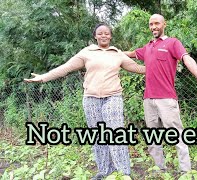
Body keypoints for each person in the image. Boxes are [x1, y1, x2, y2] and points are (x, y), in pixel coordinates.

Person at [24, 23, 145, 179]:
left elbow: (140, 69)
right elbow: (65, 68)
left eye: (107, 33)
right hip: (91, 99)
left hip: (113, 97)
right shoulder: (87, 52)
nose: (103, 35)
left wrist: (163, 65)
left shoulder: (117, 54)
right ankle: (104, 171)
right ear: (95, 36)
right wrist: (44, 77)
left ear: (110, 36)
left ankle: (123, 173)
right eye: (100, 33)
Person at [124, 14, 197, 173]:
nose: (153, 27)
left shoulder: (172, 43)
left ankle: (186, 172)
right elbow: (130, 54)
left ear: (164, 24)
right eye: (151, 24)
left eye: (157, 23)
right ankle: (159, 171)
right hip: (148, 99)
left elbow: (187, 59)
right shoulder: (148, 47)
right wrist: (111, 51)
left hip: (167, 99)